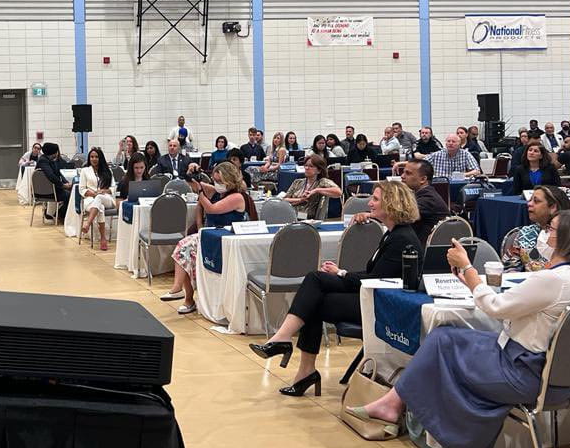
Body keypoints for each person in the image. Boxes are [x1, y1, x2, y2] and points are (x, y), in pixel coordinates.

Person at [348, 210, 570, 448]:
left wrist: (468, 267)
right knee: (444, 338)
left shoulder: (552, 280)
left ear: (567, 238)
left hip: (522, 373)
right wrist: (472, 282)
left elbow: (496, 307)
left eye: (552, 228)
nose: (545, 233)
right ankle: (397, 405)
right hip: (537, 367)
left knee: (446, 361)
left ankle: (454, 446)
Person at [251, 181, 421, 396]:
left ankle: (294, 355)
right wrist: (342, 271)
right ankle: (297, 360)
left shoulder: (401, 239)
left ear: (392, 204)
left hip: (382, 305)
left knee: (313, 295)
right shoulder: (393, 234)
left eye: (375, 199)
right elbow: (376, 276)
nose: (370, 203)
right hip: (372, 293)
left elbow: (376, 280)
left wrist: (342, 274)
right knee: (314, 286)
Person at [161, 161, 247, 314]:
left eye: (220, 181)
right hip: (209, 236)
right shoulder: (216, 191)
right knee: (184, 252)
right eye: (215, 181)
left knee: (184, 245)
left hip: (226, 239)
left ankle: (181, 292)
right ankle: (185, 296)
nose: (217, 184)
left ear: (229, 180)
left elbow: (211, 209)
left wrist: (200, 192)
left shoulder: (237, 197)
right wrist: (193, 172)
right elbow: (190, 182)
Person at [353, 159, 448, 244]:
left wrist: (369, 215)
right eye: (403, 172)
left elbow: (400, 214)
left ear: (423, 179)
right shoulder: (421, 194)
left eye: (408, 173)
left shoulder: (429, 199)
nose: (402, 176)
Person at [501, 185, 570, 272]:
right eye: (530, 200)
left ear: (553, 207)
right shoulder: (524, 233)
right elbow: (508, 268)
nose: (529, 204)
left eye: (536, 201)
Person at [282, 154, 341, 219]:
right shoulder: (297, 182)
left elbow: (338, 192)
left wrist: (316, 190)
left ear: (319, 170)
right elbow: (284, 200)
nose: (307, 168)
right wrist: (300, 200)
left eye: (311, 166)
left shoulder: (322, 182)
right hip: (292, 213)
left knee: (283, 215)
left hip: (306, 216)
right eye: (306, 165)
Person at [79, 147, 115, 251]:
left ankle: (87, 223)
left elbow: (113, 188)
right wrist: (93, 193)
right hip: (89, 199)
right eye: (92, 157)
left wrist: (104, 191)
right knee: (100, 208)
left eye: (96, 157)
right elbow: (81, 189)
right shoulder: (85, 171)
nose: (94, 159)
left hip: (107, 198)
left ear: (100, 158)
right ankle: (103, 239)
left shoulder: (108, 171)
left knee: (100, 198)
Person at [36, 142, 72, 223]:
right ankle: (59, 215)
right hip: (46, 191)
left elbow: (58, 174)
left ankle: (56, 214)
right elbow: (51, 176)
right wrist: (63, 185)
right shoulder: (43, 161)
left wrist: (66, 183)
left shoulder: (49, 160)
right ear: (53, 152)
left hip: (51, 189)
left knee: (71, 191)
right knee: (70, 195)